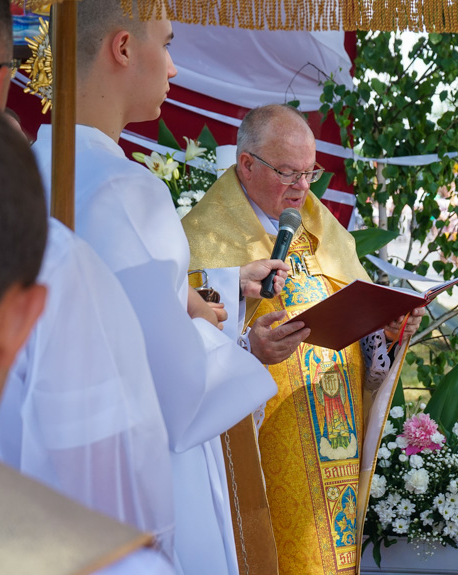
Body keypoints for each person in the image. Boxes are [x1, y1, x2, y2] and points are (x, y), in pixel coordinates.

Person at [29, 2, 285, 573]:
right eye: (166, 44)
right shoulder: (126, 190)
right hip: (120, 482)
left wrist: (201, 293)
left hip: (34, 470)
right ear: (122, 48)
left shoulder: (25, 170)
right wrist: (232, 344)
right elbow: (180, 392)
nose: (173, 69)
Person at [0, 0, 175, 557]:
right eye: (167, 44)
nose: (173, 68)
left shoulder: (42, 179)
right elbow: (115, 477)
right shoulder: (48, 258)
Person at [183, 104, 424, 575]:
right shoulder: (200, 242)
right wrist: (248, 350)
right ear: (246, 164)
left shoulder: (325, 233)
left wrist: (387, 333)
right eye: (287, 173)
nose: (301, 187)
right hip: (266, 449)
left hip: (334, 441)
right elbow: (180, 350)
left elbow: (361, 332)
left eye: (309, 172)